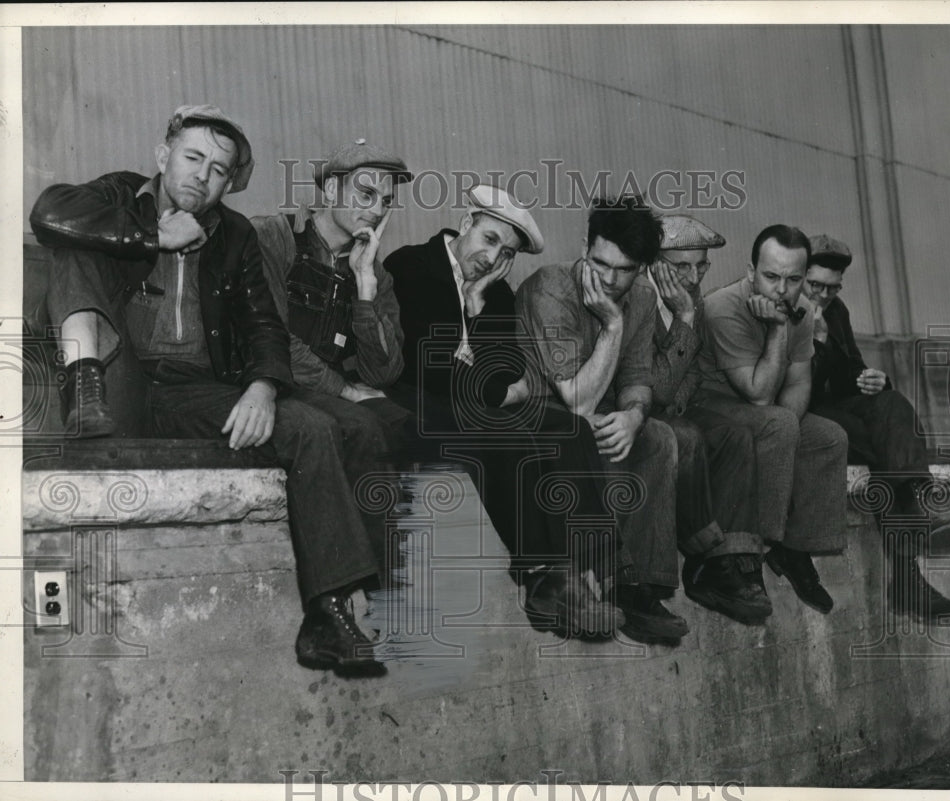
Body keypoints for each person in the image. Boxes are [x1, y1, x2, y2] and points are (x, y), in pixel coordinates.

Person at [30, 104, 388, 676]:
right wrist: (151, 235)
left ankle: (328, 612)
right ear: (162, 155)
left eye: (219, 169)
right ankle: (83, 385)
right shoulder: (121, 196)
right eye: (193, 157)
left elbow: (263, 325)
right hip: (117, 380)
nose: (203, 174)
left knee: (315, 424)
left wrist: (264, 387)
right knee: (73, 243)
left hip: (193, 392)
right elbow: (49, 213)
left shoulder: (235, 234)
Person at [385, 184, 624, 640]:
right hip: (414, 403)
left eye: (507, 252)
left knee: (570, 426)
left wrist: (476, 309)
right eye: (490, 239)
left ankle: (595, 568)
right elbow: (425, 366)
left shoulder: (495, 293)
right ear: (467, 223)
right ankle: (541, 577)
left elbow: (514, 367)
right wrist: (487, 379)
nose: (494, 259)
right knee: (506, 433)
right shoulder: (410, 265)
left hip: (464, 403)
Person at [516, 195, 689, 643]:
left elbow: (636, 378)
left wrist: (633, 415)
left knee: (658, 437)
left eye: (625, 269)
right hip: (542, 417)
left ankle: (636, 589)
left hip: (585, 413)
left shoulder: (645, 298)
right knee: (587, 432)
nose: (610, 280)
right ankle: (589, 578)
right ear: (584, 245)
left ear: (643, 268)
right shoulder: (551, 287)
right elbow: (577, 400)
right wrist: (612, 327)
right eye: (600, 263)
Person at [805, 233, 950, 619]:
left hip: (836, 408)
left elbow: (848, 371)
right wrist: (812, 340)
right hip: (799, 414)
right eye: (816, 286)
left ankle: (917, 497)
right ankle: (910, 577)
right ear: (799, 274)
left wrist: (872, 378)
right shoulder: (777, 309)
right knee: (884, 448)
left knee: (891, 402)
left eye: (832, 288)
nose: (823, 295)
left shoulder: (836, 310)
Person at [694, 224, 848, 614]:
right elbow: (760, 393)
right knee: (777, 424)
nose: (782, 290)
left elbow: (798, 385)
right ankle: (747, 559)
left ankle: (794, 549)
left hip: (760, 408)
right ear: (751, 272)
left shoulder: (805, 310)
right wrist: (779, 328)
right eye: (771, 276)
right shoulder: (722, 306)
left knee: (829, 437)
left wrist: (789, 424)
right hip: (709, 406)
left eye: (794, 279)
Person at [251, 138, 413, 464]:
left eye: (386, 201)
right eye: (366, 195)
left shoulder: (376, 273)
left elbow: (384, 374)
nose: (378, 210)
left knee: (413, 427)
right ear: (329, 191)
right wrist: (346, 391)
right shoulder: (273, 236)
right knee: (363, 428)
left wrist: (365, 290)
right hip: (273, 385)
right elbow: (271, 339)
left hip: (326, 393)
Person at [647, 214, 771, 624]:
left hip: (675, 403)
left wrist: (678, 399)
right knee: (686, 436)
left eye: (701, 265)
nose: (693, 275)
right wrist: (682, 318)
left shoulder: (692, 300)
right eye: (681, 265)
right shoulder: (637, 297)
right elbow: (650, 385)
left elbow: (692, 372)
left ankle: (734, 562)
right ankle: (703, 558)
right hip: (634, 408)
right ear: (654, 261)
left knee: (735, 435)